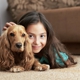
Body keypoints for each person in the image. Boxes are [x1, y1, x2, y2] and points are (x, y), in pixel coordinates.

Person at [3, 11, 76, 69]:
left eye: (42, 36)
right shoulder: (16, 46)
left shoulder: (51, 52)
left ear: (48, 35)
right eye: (30, 36)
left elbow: (66, 61)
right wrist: (13, 32)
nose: (37, 42)